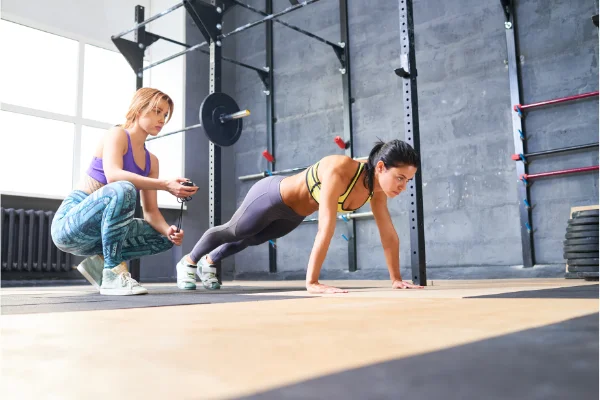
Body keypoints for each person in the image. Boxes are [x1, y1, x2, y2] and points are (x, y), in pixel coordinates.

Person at [176, 139, 424, 293]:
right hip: (272, 195)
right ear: (381, 167)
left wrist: (396, 279)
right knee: (236, 230)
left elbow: (388, 235)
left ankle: (210, 262)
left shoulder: (377, 190)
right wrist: (312, 282)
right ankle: (189, 261)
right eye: (400, 177)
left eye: (408, 180)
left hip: (294, 214)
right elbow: (326, 227)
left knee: (253, 238)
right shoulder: (340, 169)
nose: (403, 186)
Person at [51, 88, 198, 295]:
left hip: (97, 236)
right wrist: (165, 184)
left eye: (165, 114)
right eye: (157, 111)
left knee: (162, 237)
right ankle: (112, 274)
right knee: (124, 188)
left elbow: (151, 213)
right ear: (139, 109)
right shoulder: (117, 134)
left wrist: (169, 231)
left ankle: (98, 264)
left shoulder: (151, 161)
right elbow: (113, 176)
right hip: (70, 224)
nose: (162, 119)